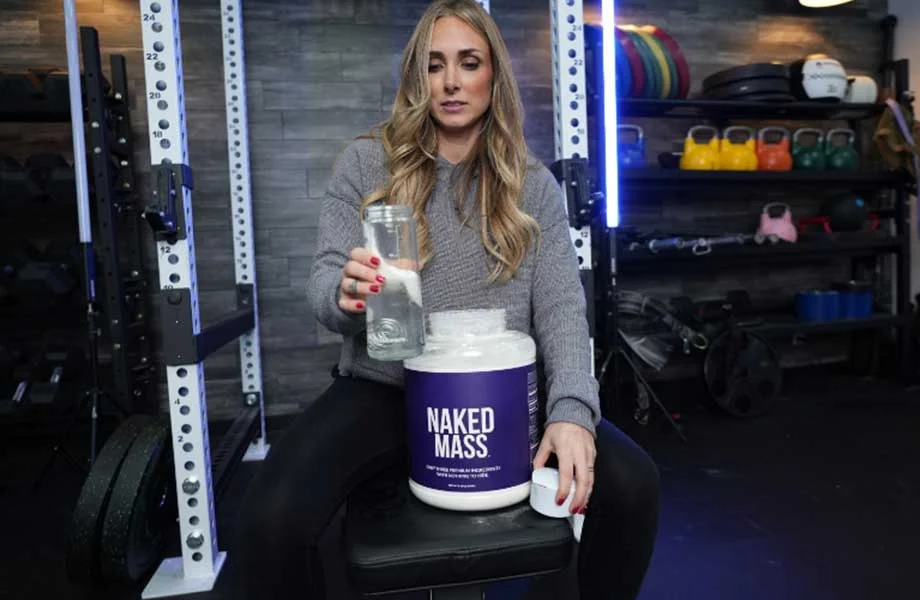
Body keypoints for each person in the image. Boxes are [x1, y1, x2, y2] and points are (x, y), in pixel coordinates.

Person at [238, 1, 659, 598]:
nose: (453, 82)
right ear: (418, 76)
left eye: (469, 62)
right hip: (387, 385)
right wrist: (346, 292)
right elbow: (324, 282)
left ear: (494, 75)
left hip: (504, 395)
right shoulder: (366, 162)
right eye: (436, 66)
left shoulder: (531, 184)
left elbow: (563, 309)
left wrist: (571, 412)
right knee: (273, 515)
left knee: (635, 484)